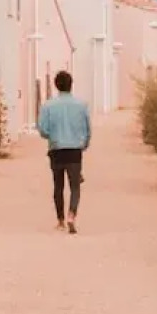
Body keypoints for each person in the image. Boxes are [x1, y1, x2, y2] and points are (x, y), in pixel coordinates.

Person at [36, 70, 90, 233]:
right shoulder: (81, 105)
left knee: (58, 186)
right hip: (74, 150)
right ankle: (72, 215)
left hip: (56, 150)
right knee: (75, 186)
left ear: (56, 86)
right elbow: (87, 130)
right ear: (71, 85)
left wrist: (52, 136)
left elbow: (43, 130)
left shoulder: (48, 106)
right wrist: (84, 144)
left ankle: (60, 220)